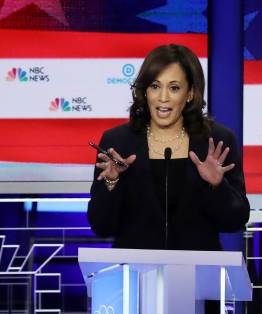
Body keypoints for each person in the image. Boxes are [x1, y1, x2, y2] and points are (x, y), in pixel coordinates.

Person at [87, 44, 249, 250]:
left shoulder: (216, 141)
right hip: (135, 275)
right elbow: (101, 225)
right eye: (155, 86)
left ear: (190, 93)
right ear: (145, 91)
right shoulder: (118, 142)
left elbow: (236, 221)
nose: (163, 97)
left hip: (198, 274)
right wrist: (112, 181)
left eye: (174, 88)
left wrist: (217, 186)